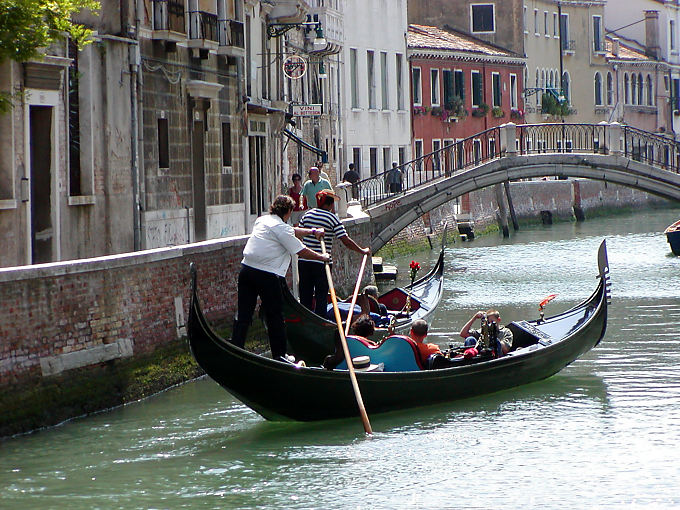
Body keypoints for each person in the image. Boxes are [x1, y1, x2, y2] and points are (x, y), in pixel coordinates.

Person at [231, 195, 330, 361]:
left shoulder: (263, 221)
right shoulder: (281, 228)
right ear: (289, 211)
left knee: (244, 313)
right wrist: (323, 257)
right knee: (275, 316)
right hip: (267, 275)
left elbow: (291, 231)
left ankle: (236, 347)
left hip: (246, 270)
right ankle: (280, 355)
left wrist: (312, 231)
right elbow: (301, 250)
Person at [298, 189, 370, 317]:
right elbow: (346, 241)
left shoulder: (307, 215)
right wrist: (362, 251)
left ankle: (305, 320)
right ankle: (320, 322)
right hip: (322, 263)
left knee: (305, 295)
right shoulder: (332, 218)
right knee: (321, 296)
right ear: (331, 205)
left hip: (303, 261)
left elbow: (299, 235)